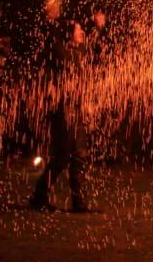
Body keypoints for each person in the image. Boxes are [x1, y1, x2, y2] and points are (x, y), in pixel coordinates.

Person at [29, 19, 93, 213]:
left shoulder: (79, 51)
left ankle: (78, 202)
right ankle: (39, 198)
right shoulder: (59, 52)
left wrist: (97, 28)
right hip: (62, 112)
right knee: (63, 156)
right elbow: (51, 43)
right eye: (78, 29)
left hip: (78, 111)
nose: (82, 32)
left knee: (79, 156)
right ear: (68, 34)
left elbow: (90, 47)